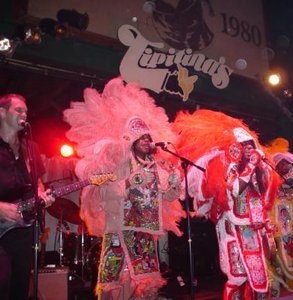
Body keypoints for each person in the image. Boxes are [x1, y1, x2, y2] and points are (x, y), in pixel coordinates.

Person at [63, 78, 185, 299]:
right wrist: (125, 175)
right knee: (113, 282)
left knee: (145, 284)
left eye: (150, 138)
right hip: (120, 229)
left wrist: (175, 180)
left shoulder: (157, 168)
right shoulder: (119, 162)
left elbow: (168, 195)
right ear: (132, 141)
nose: (148, 142)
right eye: (143, 139)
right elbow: (106, 185)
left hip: (144, 233)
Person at [172, 109, 280, 299]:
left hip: (255, 230)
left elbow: (266, 195)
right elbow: (235, 189)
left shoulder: (262, 169)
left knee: (260, 277)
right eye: (244, 145)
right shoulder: (229, 169)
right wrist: (250, 166)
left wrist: (266, 226)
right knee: (237, 276)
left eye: (250, 145)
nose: (248, 148)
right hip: (232, 228)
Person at [0, 93, 55, 300]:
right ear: (2, 112)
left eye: (26, 111)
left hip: (23, 231)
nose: (24, 115)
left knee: (20, 287)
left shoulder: (30, 149)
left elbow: (37, 183)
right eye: (18, 110)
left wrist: (42, 194)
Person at [266, 146, 293, 293]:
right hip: (279, 228)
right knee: (280, 257)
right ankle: (280, 286)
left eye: (288, 163)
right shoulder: (271, 181)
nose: (285, 165)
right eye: (281, 163)